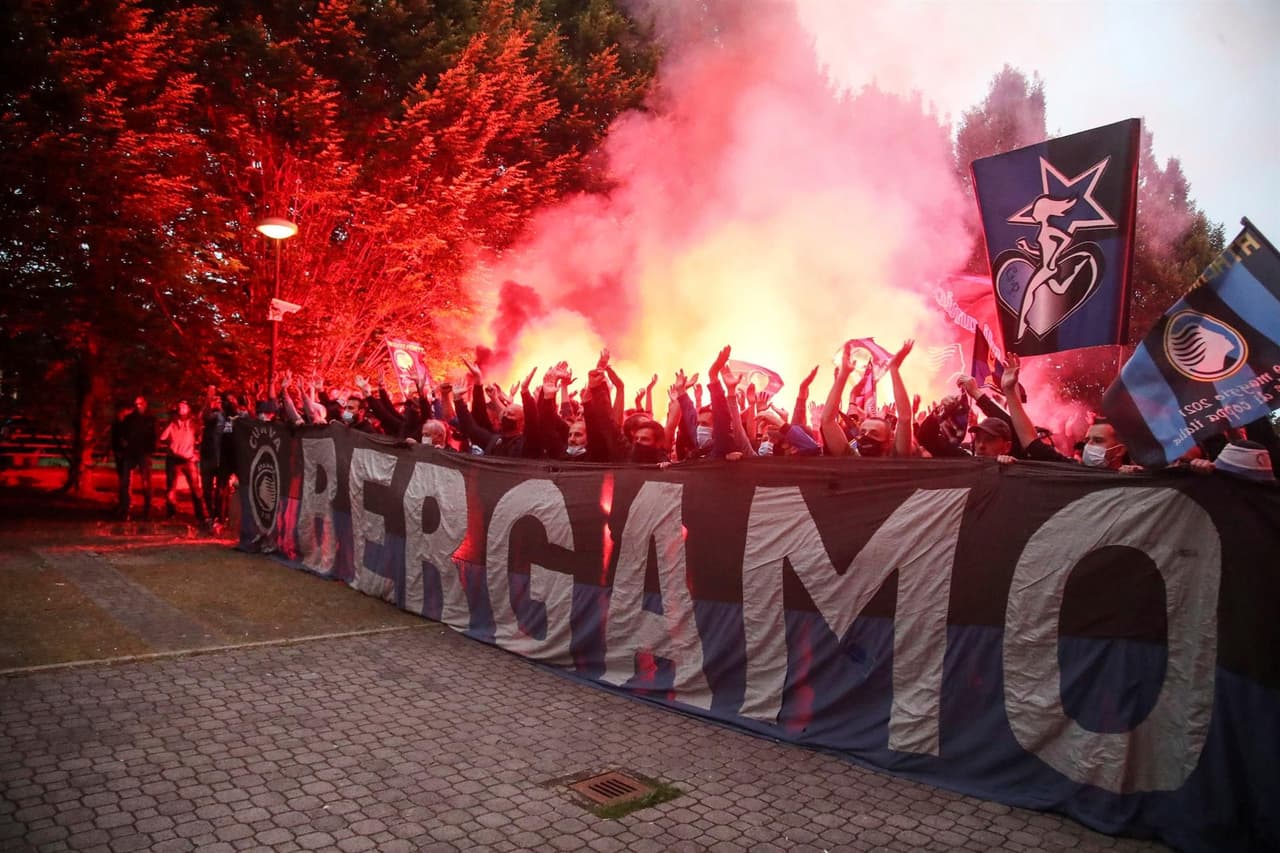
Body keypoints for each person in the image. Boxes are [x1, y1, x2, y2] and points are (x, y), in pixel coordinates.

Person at [160, 401, 206, 522]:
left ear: (189, 409)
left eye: (184, 406)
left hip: (188, 459)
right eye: (180, 406)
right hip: (173, 459)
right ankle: (171, 514)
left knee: (195, 487)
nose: (182, 409)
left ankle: (200, 515)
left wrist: (197, 453)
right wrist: (171, 425)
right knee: (171, 488)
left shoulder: (194, 423)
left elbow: (200, 439)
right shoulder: (172, 423)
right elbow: (162, 437)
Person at [117, 396, 157, 520]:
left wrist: (151, 450)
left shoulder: (150, 419)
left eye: (140, 404)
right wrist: (124, 443)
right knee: (126, 481)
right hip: (131, 452)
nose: (138, 406)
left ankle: (147, 509)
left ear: (145, 404)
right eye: (136, 404)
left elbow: (154, 436)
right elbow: (122, 434)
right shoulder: (129, 419)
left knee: (146, 481)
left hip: (143, 453)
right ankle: (126, 508)